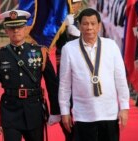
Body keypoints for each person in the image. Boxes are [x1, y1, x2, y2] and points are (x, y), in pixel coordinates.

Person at [0, 10, 60, 141]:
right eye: (11, 28)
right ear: (6, 30)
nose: (16, 31)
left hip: (34, 110)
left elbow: (52, 84)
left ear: (25, 28)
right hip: (10, 112)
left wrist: (55, 110)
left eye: (19, 27)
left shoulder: (39, 52)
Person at [58, 8, 130, 141]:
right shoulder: (69, 49)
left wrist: (124, 107)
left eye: (93, 23)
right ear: (79, 26)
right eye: (85, 24)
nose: (89, 27)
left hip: (109, 113)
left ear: (99, 26)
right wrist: (65, 111)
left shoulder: (111, 46)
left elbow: (120, 79)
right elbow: (64, 84)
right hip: (83, 114)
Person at [55, 0, 83, 141]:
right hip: (63, 65)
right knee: (63, 101)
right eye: (70, 3)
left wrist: (76, 31)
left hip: (81, 68)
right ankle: (70, 135)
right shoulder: (59, 18)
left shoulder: (84, 19)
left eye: (75, 3)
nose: (72, 6)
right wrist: (63, 26)